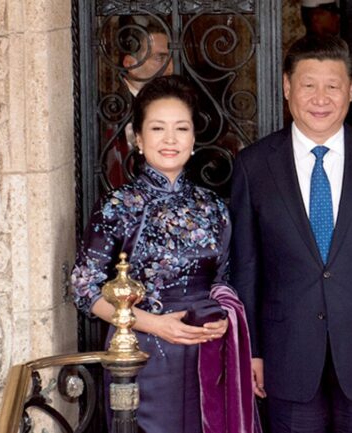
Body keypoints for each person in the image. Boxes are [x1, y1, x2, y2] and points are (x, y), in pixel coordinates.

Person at [229, 34, 352, 433]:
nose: (321, 98)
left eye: (332, 86)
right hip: (286, 354)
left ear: (350, 89)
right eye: (307, 85)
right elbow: (246, 266)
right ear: (286, 87)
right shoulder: (254, 166)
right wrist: (251, 350)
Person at [71, 75, 259, 433]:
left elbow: (225, 280)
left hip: (207, 353)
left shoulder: (213, 207)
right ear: (138, 138)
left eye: (181, 128)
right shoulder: (119, 206)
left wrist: (225, 318)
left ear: (193, 139)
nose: (170, 139)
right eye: (158, 128)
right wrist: (154, 324)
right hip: (143, 354)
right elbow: (84, 288)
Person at [104, 19, 175, 189]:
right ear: (130, 64)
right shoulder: (110, 108)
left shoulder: (174, 101)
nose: (170, 67)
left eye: (172, 58)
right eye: (160, 58)